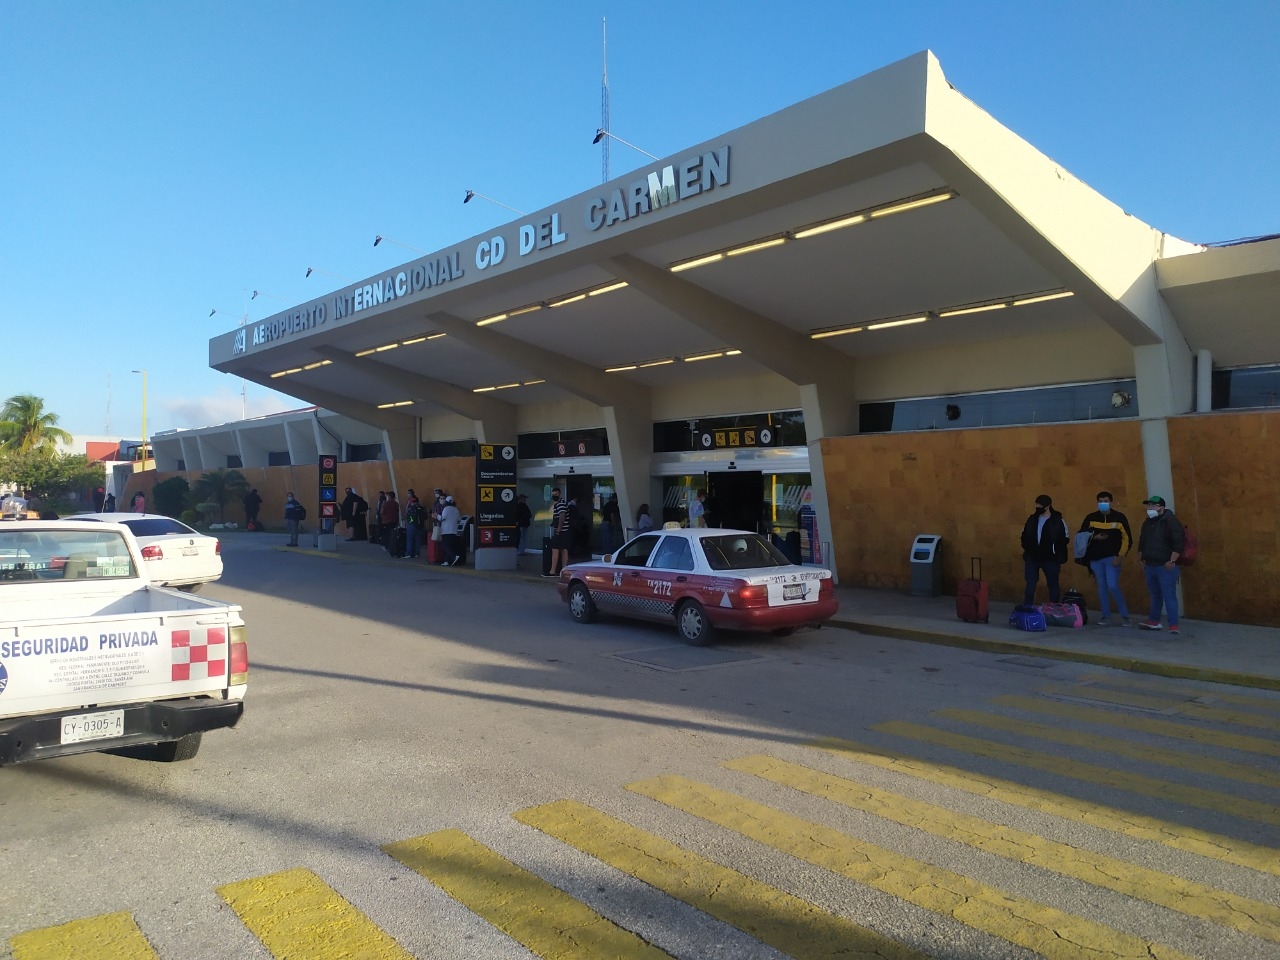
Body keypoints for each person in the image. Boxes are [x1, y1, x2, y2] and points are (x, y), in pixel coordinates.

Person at [1078, 491, 1133, 626]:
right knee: (1102, 587)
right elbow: (1081, 536)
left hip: (1112, 558)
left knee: (1113, 585)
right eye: (1101, 501)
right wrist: (1094, 537)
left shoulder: (1119, 517)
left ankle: (1125, 616)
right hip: (1095, 559)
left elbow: (1127, 539)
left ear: (1111, 501)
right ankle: (1105, 616)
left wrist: (1120, 556)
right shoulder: (1091, 518)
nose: (1103, 503)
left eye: (1106, 500)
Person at [1137, 495, 1186, 635]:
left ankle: (1173, 625)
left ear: (1161, 508)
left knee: (1169, 595)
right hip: (1150, 565)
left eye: (1152, 506)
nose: (1149, 508)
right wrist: (1140, 559)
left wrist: (1172, 561)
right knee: (1154, 594)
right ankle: (1154, 621)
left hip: (1166, 566)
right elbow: (1142, 541)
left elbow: (1178, 542)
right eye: (1148, 505)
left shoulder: (1171, 522)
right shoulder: (1147, 523)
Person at [1020, 494, 1069, 605]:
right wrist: (1028, 548)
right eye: (1036, 504)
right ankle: (1027, 608)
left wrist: (1055, 551)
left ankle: (1054, 609)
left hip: (1051, 558)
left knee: (1053, 584)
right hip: (1032, 557)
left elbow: (1065, 537)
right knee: (1030, 583)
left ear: (1048, 506)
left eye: (1040, 505)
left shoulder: (1057, 520)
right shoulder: (1032, 519)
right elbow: (1024, 534)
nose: (1038, 507)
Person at [546, 487, 569, 577]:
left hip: (561, 531)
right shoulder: (559, 503)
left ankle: (552, 571)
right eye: (553, 494)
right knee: (564, 549)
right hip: (563, 530)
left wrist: (558, 530)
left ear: (559, 494)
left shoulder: (560, 504)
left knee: (555, 550)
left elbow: (562, 517)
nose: (554, 496)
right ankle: (564, 570)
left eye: (556, 494)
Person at [439, 495, 462, 565]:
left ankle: (453, 556)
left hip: (446, 530)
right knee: (449, 546)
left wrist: (436, 515)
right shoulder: (456, 509)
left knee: (445, 546)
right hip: (454, 531)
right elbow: (459, 520)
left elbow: (442, 518)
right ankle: (446, 561)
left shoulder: (446, 509)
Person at [403, 489, 424, 559]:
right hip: (419, 525)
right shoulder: (420, 507)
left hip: (411, 524)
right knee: (417, 539)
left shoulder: (411, 507)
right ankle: (416, 553)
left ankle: (409, 553)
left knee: (410, 539)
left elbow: (407, 515)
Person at [381, 491, 401, 555]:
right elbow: (397, 511)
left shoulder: (385, 503)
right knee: (393, 534)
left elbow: (382, 512)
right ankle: (392, 546)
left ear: (389, 496)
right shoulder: (396, 503)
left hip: (386, 521)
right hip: (394, 521)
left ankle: (386, 546)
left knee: (386, 534)